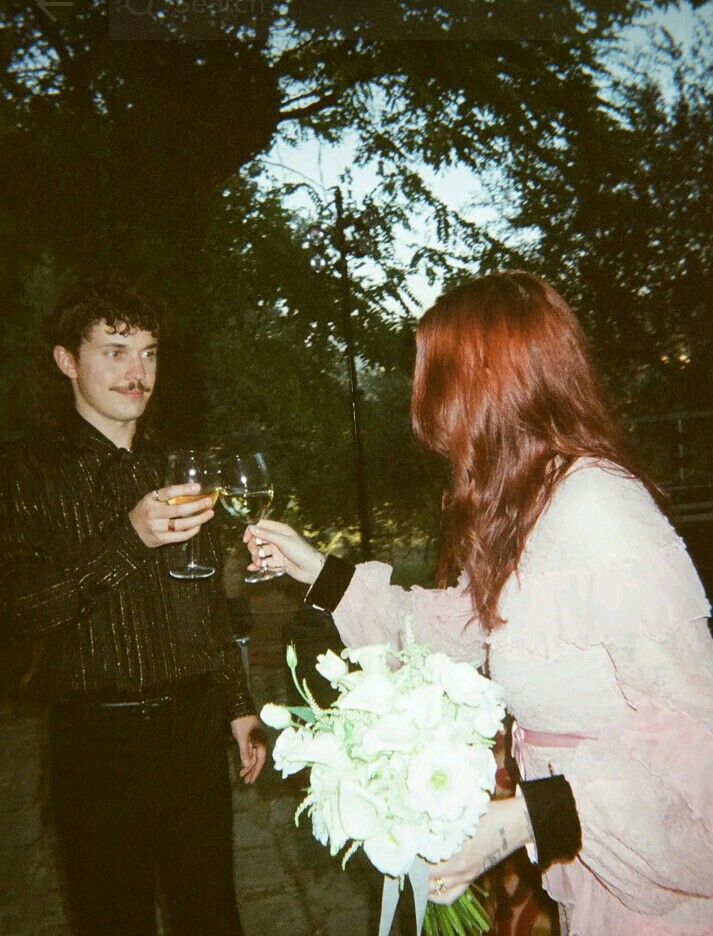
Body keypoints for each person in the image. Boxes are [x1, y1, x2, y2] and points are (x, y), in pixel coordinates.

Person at [244, 270, 713, 936]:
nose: (421, 406)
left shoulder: (596, 510)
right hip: (592, 869)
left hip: (657, 891)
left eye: (430, 378)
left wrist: (535, 811)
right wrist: (320, 571)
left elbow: (698, 728)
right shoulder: (528, 502)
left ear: (484, 388)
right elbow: (456, 632)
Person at [1, 276, 266, 936]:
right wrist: (130, 537)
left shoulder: (177, 466)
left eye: (148, 352)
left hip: (191, 728)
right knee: (111, 918)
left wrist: (237, 705)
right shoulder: (23, 472)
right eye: (115, 350)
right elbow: (23, 608)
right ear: (67, 360)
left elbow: (206, 598)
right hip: (96, 740)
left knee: (210, 915)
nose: (137, 371)